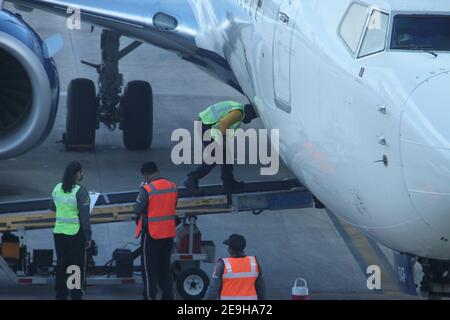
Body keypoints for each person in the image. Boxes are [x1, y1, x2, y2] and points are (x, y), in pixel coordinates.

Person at [183, 101, 258, 191]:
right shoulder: (239, 113)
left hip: (207, 124)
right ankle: (192, 178)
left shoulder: (237, 107)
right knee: (215, 156)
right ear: (249, 113)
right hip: (208, 127)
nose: (250, 120)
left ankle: (228, 182)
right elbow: (223, 123)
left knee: (225, 156)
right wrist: (222, 139)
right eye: (252, 117)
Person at [133, 162, 178, 300]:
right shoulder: (172, 186)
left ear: (146, 175)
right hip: (168, 233)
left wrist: (142, 188)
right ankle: (168, 296)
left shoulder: (147, 189)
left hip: (152, 234)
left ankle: (149, 297)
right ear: (157, 170)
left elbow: (136, 208)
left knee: (148, 270)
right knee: (164, 267)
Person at [50, 161, 92, 300]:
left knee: (62, 263)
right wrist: (88, 237)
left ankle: (61, 294)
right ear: (77, 174)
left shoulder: (56, 188)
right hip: (75, 233)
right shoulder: (81, 191)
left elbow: (52, 207)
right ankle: (75, 294)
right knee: (75, 266)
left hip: (59, 232)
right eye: (81, 172)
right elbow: (85, 218)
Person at [206, 234, 266, 300]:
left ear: (230, 249)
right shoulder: (254, 263)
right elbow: (261, 289)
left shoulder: (222, 264)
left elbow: (213, 289)